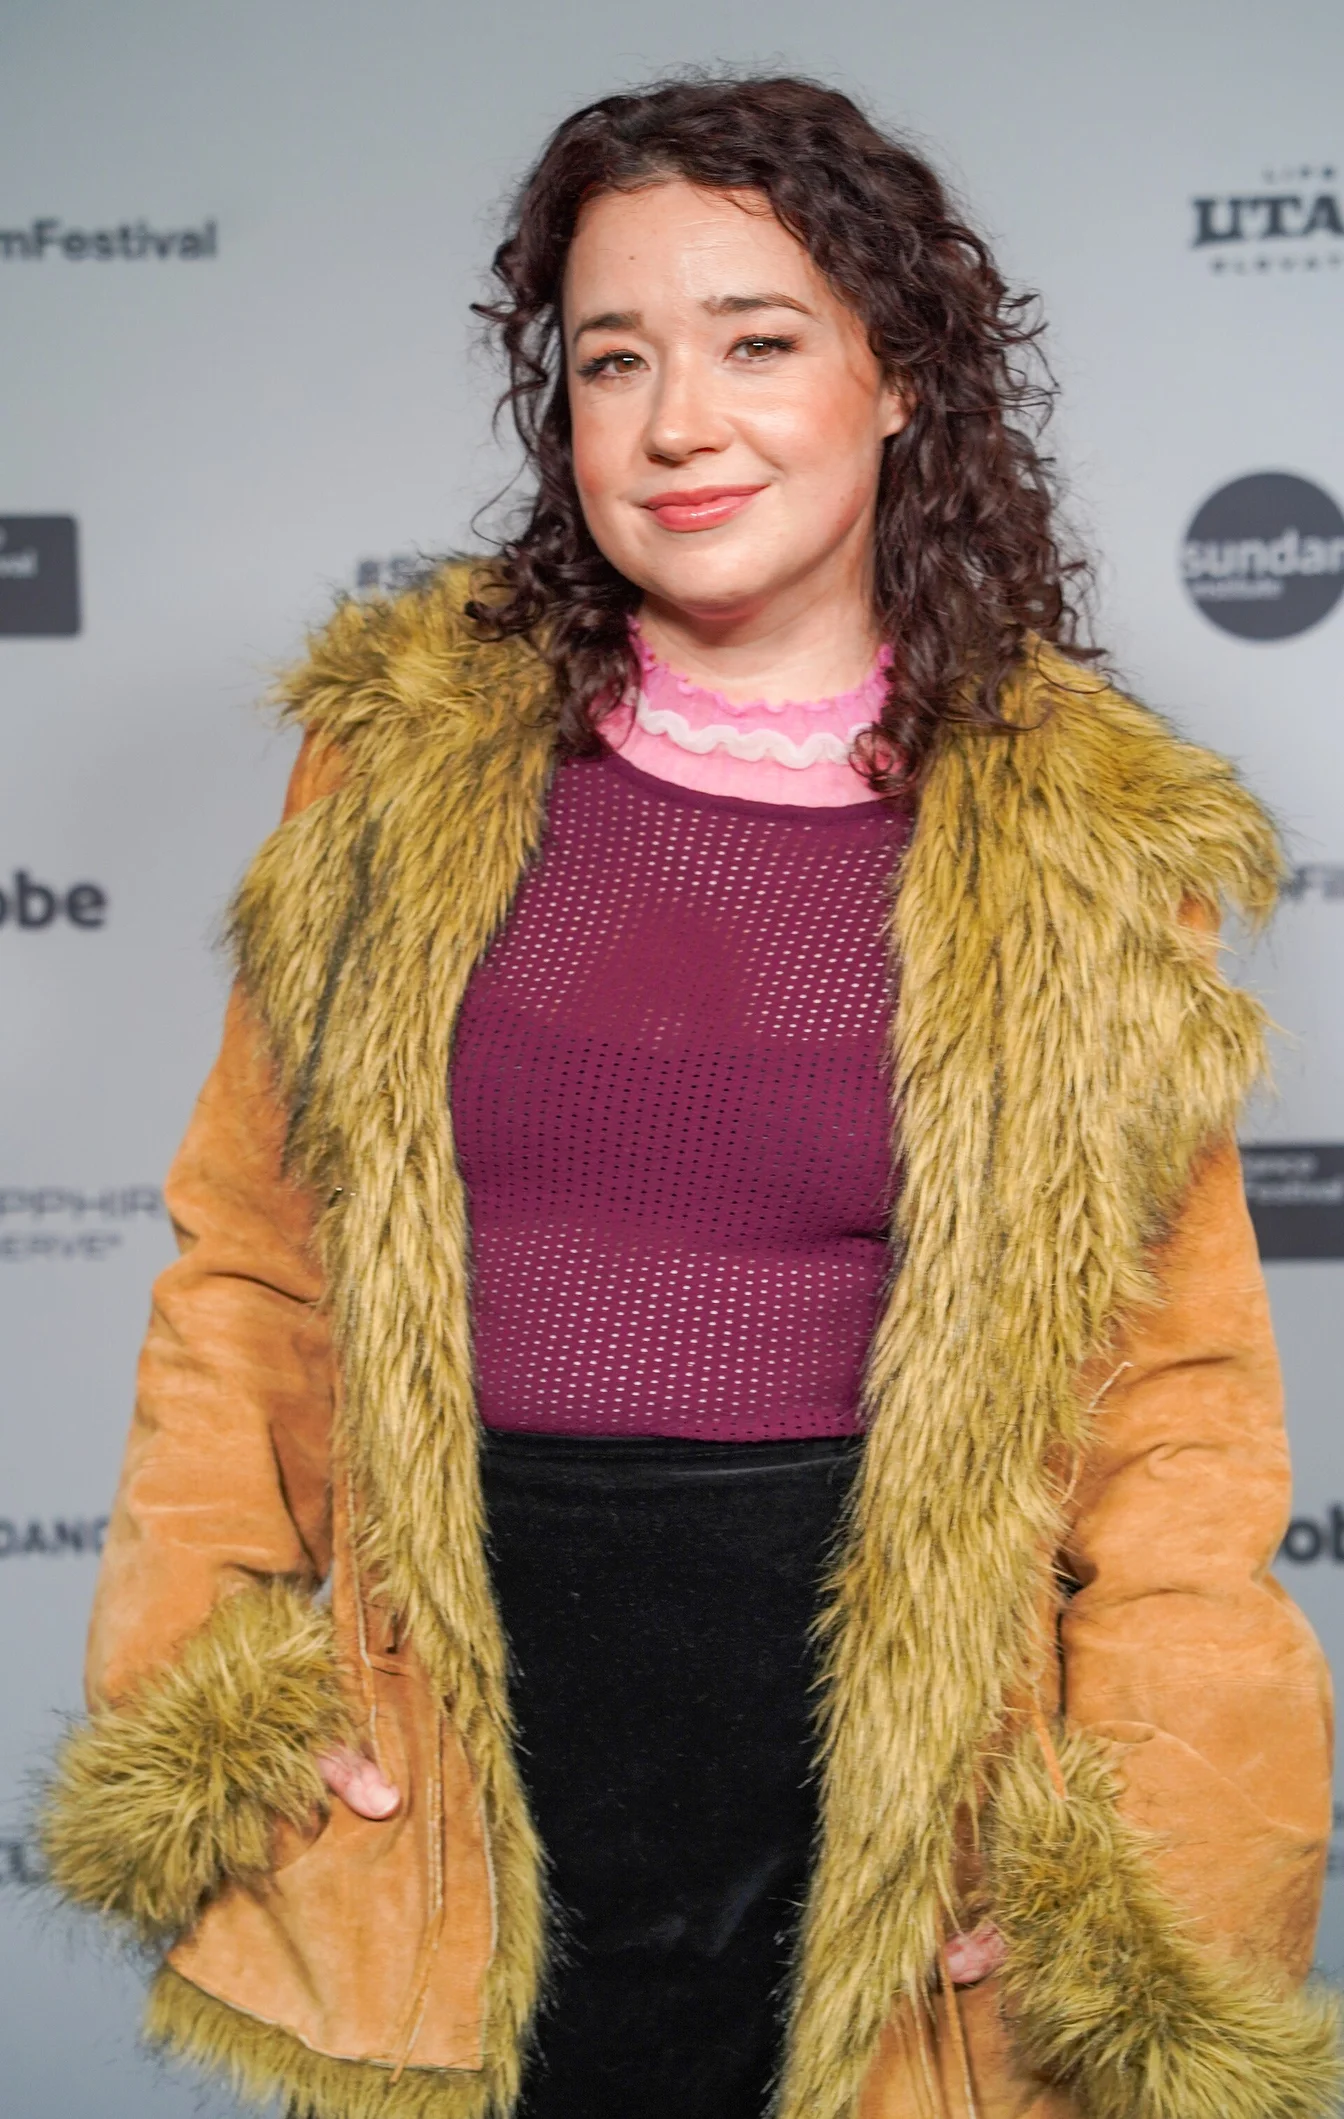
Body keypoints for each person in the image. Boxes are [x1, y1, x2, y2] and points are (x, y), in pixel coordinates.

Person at [42, 74, 1337, 2119]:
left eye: (757, 341)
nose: (675, 421)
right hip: (457, 1748)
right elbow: (253, 1276)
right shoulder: (398, 771)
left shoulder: (1082, 842)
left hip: (879, 1762)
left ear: (901, 378)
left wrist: (1146, 1855)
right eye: (611, 358)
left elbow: (1172, 1415)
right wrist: (204, 1683)